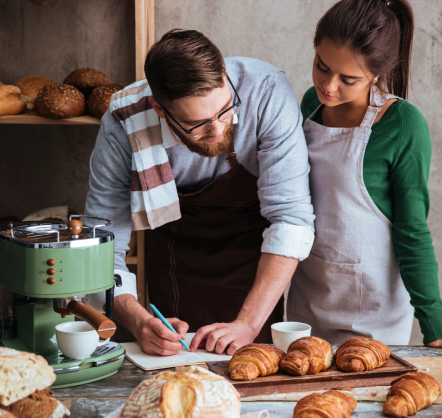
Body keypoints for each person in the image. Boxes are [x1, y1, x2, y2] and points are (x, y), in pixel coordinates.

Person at [84, 29, 315, 356]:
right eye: (197, 124)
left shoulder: (265, 92)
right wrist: (138, 322)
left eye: (224, 110)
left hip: (255, 258)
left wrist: (248, 323)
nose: (218, 130)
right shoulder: (123, 126)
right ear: (159, 109)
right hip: (177, 262)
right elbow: (100, 250)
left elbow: (291, 219)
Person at [287, 0, 442, 347]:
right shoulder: (311, 105)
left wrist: (436, 327)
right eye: (321, 67)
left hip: (372, 315)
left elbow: (412, 231)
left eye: (348, 79)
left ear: (376, 73)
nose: (329, 86)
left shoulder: (403, 125)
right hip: (307, 301)